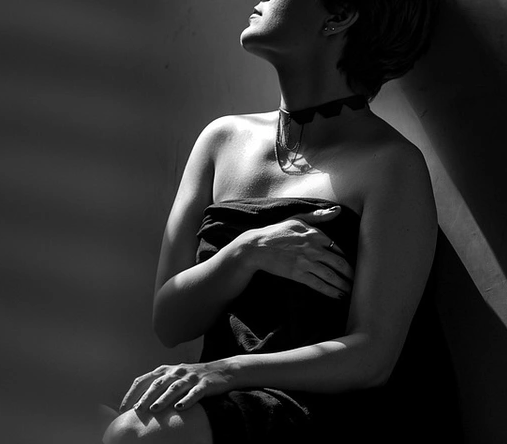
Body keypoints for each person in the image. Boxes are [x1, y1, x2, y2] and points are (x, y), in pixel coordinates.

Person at [103, 1, 441, 442]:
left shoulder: (392, 164)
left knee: (134, 434)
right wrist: (247, 252)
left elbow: (373, 356)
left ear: (338, 16)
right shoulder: (221, 140)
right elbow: (170, 322)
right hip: (215, 396)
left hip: (321, 410)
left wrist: (226, 371)